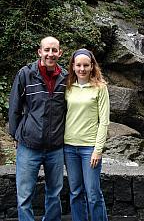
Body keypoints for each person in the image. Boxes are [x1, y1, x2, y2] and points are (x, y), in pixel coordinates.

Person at [8, 36, 68, 221]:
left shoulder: (66, 78)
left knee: (54, 194)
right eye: (47, 50)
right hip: (29, 145)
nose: (51, 54)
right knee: (24, 196)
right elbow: (14, 108)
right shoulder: (25, 74)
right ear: (40, 52)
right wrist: (17, 135)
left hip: (56, 147)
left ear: (60, 53)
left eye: (54, 50)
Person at [64, 48, 110, 221]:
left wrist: (98, 150)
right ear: (73, 66)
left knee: (93, 193)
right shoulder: (67, 86)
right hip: (68, 147)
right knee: (75, 192)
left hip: (89, 148)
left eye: (86, 65)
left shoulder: (100, 88)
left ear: (92, 66)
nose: (82, 69)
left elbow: (104, 121)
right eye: (78, 65)